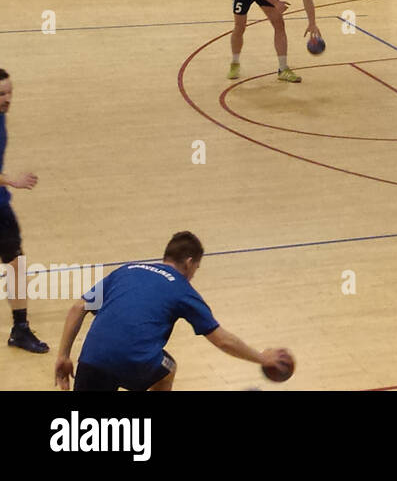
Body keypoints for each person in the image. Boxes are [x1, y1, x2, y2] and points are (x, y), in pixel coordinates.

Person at [54, 231, 292, 391]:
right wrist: (262, 358)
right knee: (168, 368)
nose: (194, 274)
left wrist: (63, 356)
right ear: (189, 262)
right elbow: (222, 340)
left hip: (92, 359)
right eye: (196, 268)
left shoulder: (126, 270)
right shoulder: (181, 289)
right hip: (134, 364)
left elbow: (78, 308)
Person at [0, 69, 49, 354]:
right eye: (1, 95)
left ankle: (20, 329)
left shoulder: (1, 114)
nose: (8, 99)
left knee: (15, 261)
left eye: (10, 92)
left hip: (0, 206)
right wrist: (11, 180)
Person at [227, 0, 321, 83]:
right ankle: (234, 63)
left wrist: (312, 22)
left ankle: (283, 69)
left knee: (279, 24)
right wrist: (275, 3)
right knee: (240, 26)